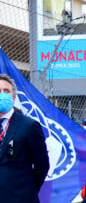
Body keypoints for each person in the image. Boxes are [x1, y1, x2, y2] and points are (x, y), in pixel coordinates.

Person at [0, 74, 49, 203]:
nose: (2, 94)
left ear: (13, 97)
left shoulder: (29, 126)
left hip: (20, 198)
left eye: (6, 91)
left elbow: (42, 165)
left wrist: (27, 190)